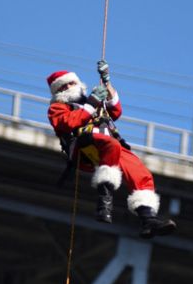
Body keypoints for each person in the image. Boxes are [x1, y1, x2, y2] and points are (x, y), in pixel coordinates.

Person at [47, 61, 177, 239]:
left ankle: (148, 219)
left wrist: (106, 82)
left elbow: (115, 111)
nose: (69, 87)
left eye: (72, 83)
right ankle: (104, 201)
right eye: (63, 86)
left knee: (140, 173)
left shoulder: (93, 102)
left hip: (109, 146)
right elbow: (68, 123)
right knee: (110, 144)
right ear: (57, 93)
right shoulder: (58, 108)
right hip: (83, 146)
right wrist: (92, 103)